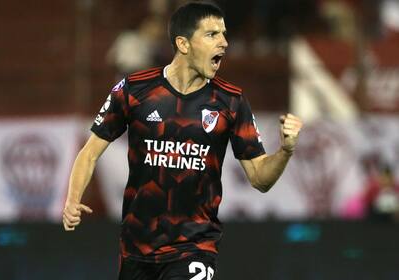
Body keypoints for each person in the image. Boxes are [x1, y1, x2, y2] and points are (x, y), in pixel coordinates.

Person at [63, 1, 303, 279]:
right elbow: (90, 151)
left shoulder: (231, 102)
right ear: (184, 44)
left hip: (195, 246)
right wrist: (72, 200)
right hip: (136, 248)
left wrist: (285, 150)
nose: (224, 43)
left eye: (224, 34)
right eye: (212, 35)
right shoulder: (134, 89)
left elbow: (260, 178)